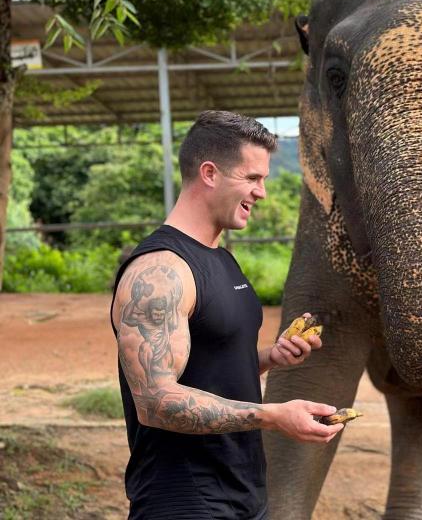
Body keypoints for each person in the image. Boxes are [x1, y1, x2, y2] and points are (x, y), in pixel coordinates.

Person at [111, 111, 344, 519]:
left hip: (245, 493)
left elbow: (209, 369)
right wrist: (273, 416)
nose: (263, 193)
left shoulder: (222, 260)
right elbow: (157, 401)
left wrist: (272, 357)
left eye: (264, 179)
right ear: (209, 173)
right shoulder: (160, 272)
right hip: (184, 502)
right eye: (252, 178)